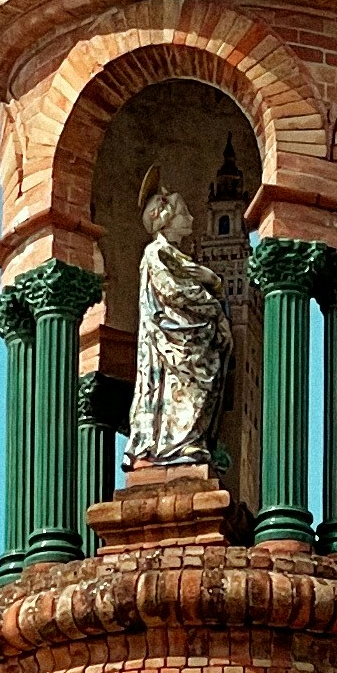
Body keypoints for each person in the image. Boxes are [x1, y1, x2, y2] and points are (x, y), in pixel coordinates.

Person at [125, 184, 232, 469]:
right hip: (171, 343)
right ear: (166, 219)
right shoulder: (155, 254)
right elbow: (173, 292)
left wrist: (214, 283)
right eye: (185, 213)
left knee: (198, 387)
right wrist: (212, 303)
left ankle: (190, 442)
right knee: (182, 387)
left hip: (192, 338)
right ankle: (173, 446)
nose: (192, 219)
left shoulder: (181, 259)